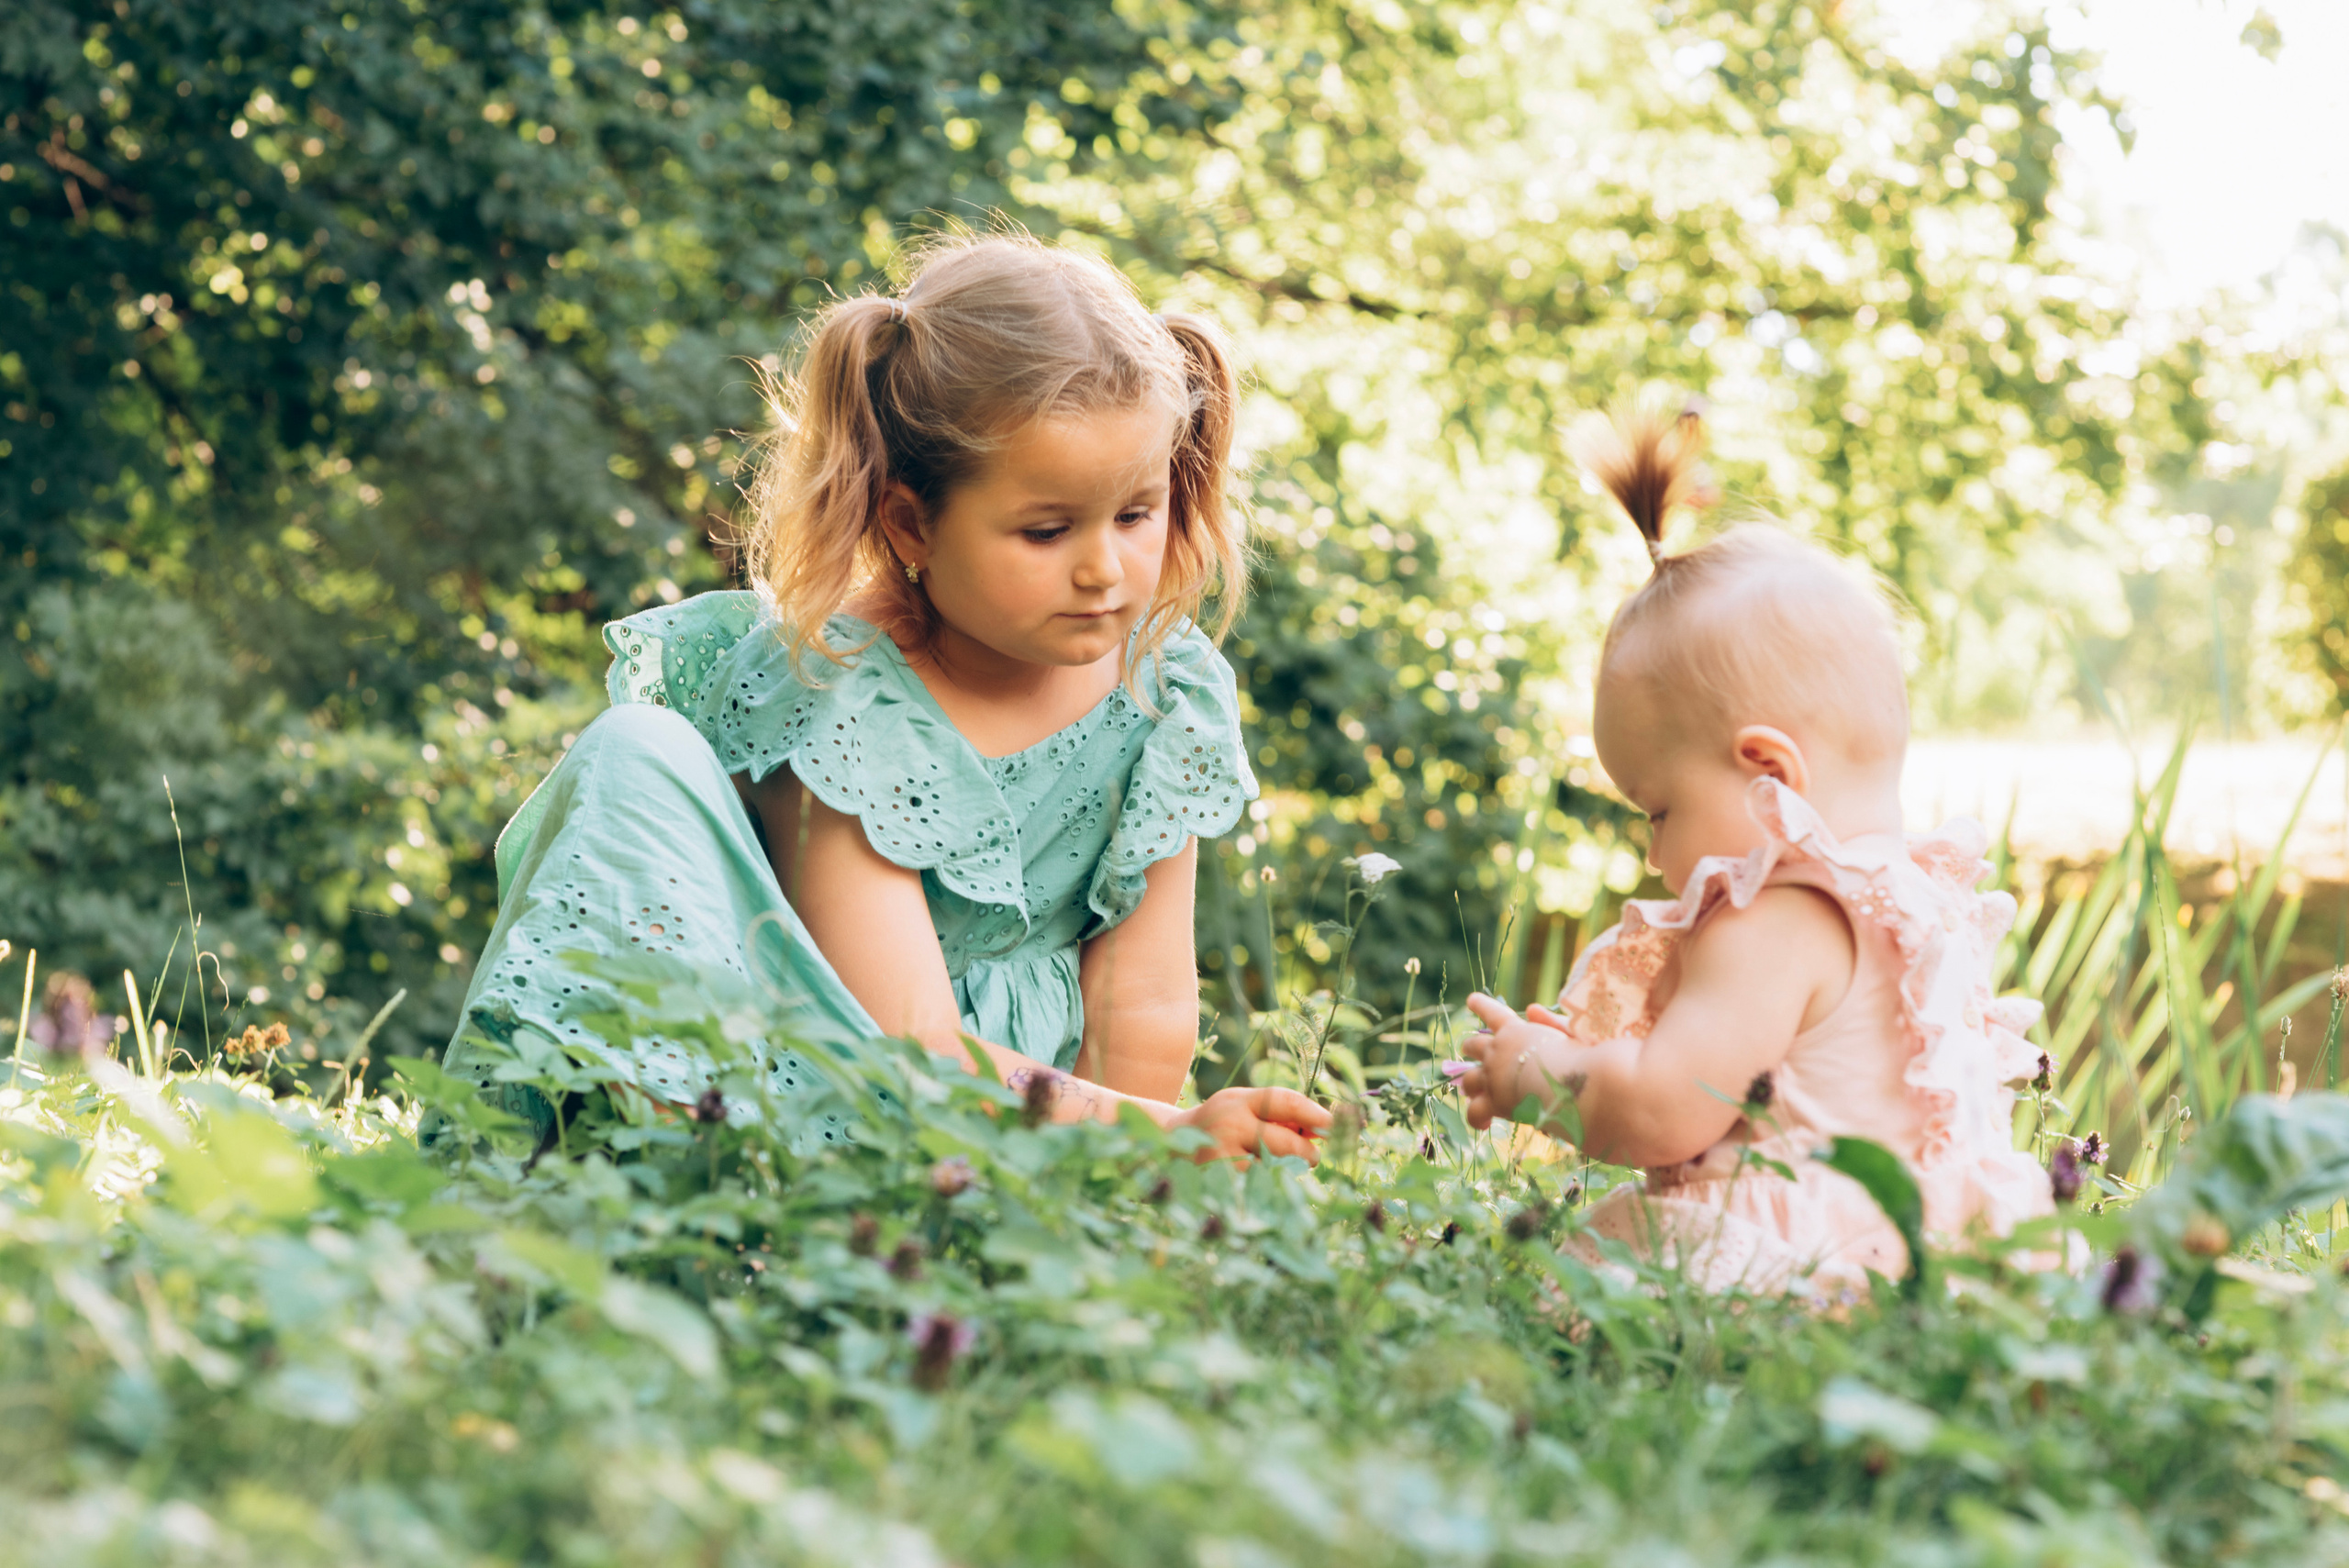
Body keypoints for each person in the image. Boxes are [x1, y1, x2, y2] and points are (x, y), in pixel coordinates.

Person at [444, 234, 1330, 1162]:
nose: (1104, 569)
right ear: (911, 521)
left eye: (1135, 514)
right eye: (1045, 529)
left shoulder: (1161, 687)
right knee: (634, 751)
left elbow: (1141, 1003)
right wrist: (1161, 1137)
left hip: (1047, 1134)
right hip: (818, 1105)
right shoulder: (843, 698)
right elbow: (905, 1047)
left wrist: (1123, 1179)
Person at [1456, 404, 2051, 1296]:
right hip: (1917, 1260)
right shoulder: (1906, 900)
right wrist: (1591, 1052)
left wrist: (1541, 1079)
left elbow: (1663, 1111)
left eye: (1656, 809)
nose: (1653, 854)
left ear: (1767, 772)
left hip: (1794, 1271)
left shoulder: (1775, 917)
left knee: (1566, 1284)